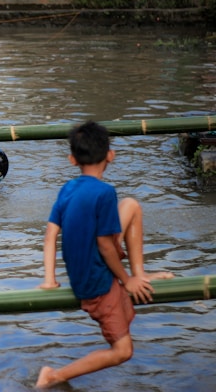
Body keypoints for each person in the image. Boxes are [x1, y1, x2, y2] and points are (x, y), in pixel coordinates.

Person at [35, 121, 174, 389]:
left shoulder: (68, 188)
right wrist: (125, 280)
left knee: (131, 206)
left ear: (72, 159)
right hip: (96, 283)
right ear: (110, 155)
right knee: (123, 351)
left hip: (83, 271)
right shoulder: (105, 192)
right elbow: (105, 245)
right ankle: (54, 375)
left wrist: (49, 279)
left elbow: (50, 235)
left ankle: (140, 272)